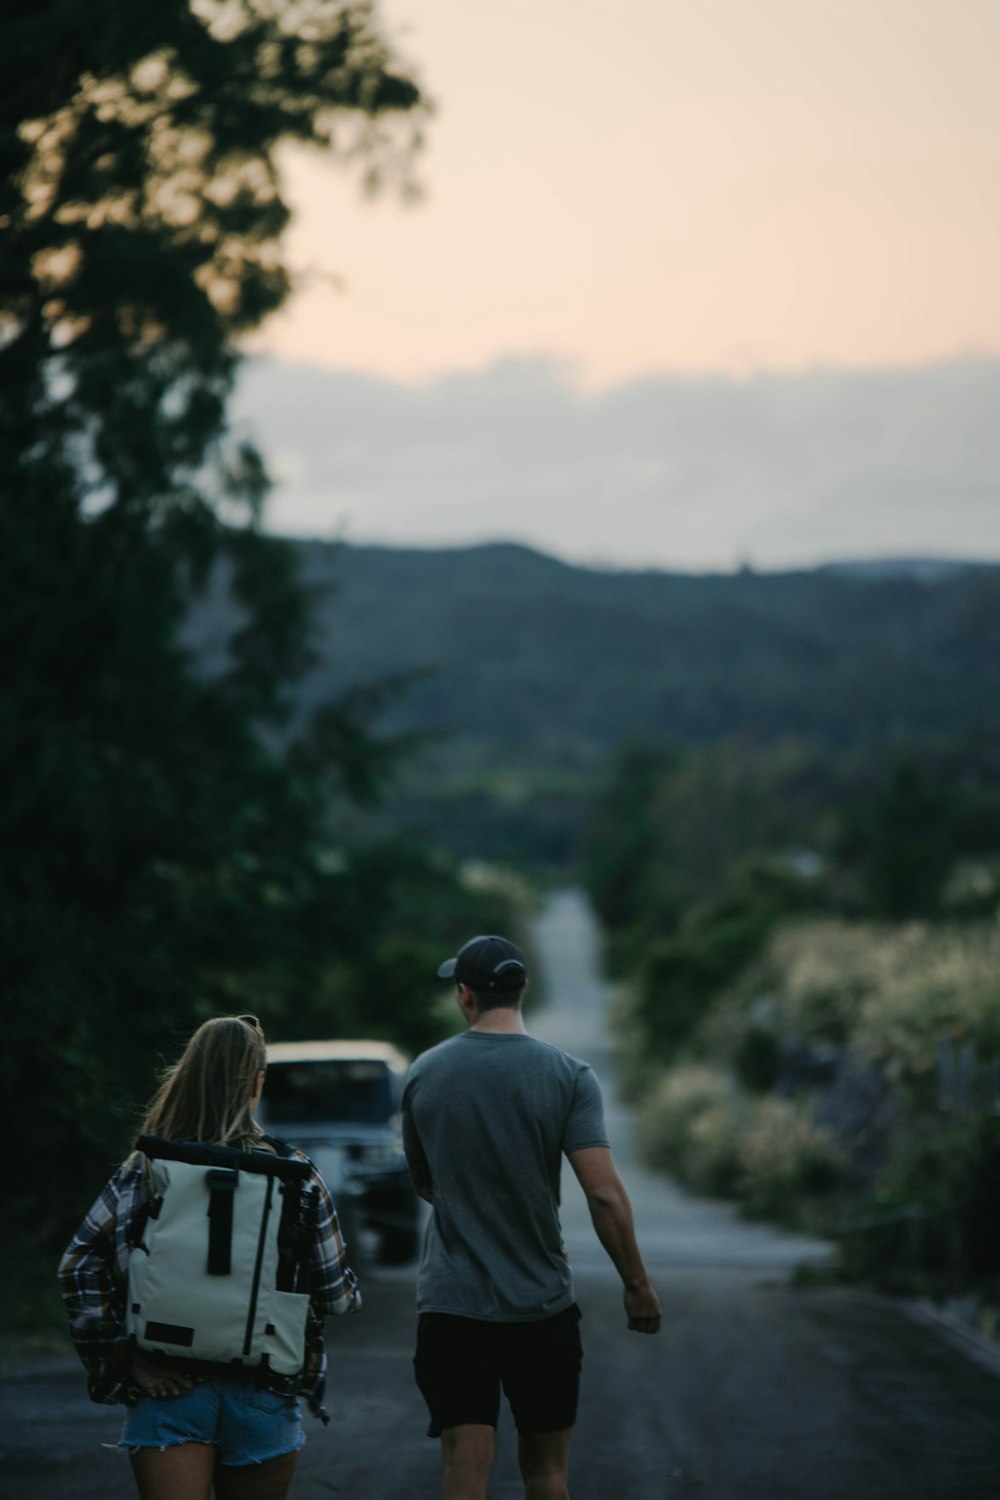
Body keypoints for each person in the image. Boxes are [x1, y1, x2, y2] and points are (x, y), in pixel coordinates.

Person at [401, 934, 661, 1500]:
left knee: (463, 1469)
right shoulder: (568, 1075)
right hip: (539, 1302)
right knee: (546, 1473)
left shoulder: (425, 1072)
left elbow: (426, 1181)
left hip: (452, 1303)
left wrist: (475, 1212)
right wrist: (636, 1284)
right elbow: (605, 1196)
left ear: (465, 995)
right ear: (523, 989)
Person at [59, 1014, 360, 1500]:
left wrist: (121, 1360)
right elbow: (335, 1294)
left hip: (168, 1385)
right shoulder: (295, 1175)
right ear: (257, 1081)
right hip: (264, 1389)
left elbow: (79, 1267)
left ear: (188, 1074)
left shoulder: (147, 1168)